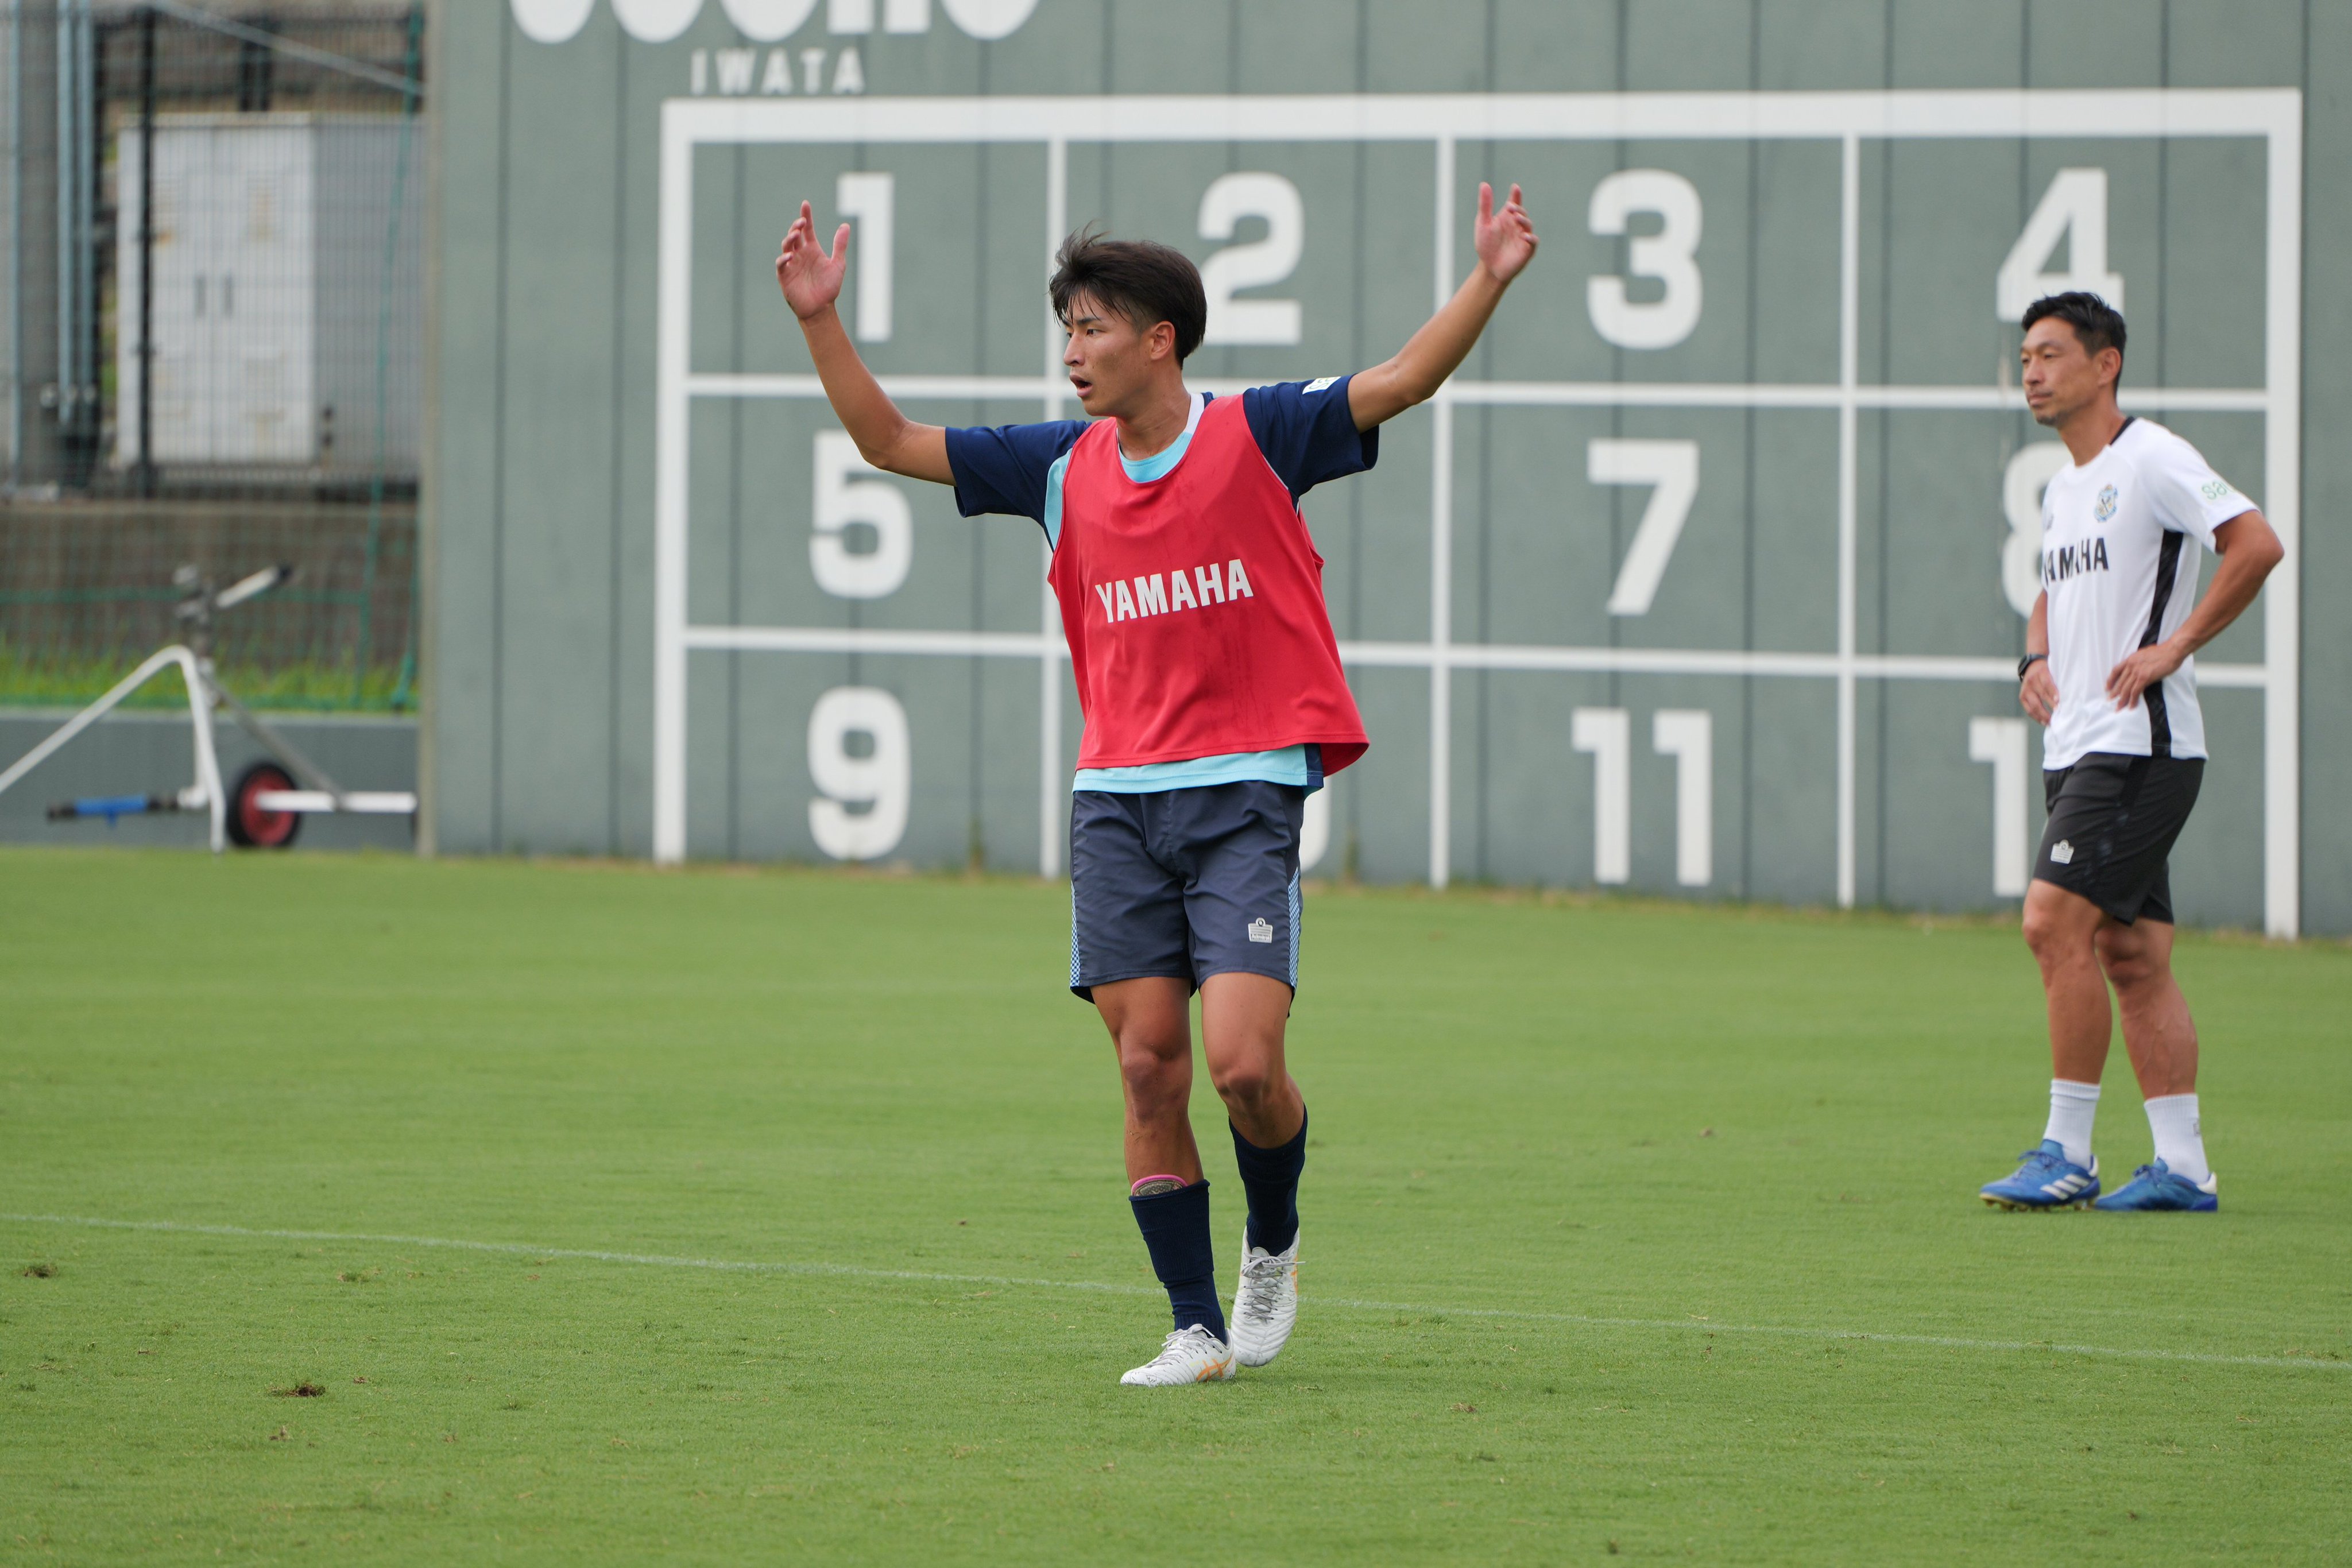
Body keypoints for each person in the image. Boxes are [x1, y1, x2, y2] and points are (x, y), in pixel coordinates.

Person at [775, 183, 1538, 1382]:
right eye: (1064, 330)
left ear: (1157, 340)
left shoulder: (1257, 432)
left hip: (1241, 793)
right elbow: (887, 442)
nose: (1072, 353)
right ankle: (1193, 1325)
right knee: (1145, 1066)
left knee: (1241, 1063)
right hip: (1116, 802)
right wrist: (821, 318)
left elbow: (1398, 381)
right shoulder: (1056, 465)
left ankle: (1271, 1243)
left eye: (1091, 328)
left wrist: (1488, 276)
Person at [1979, 292, 2283, 1215]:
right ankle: (2183, 1168)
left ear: (2105, 364)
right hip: (2079, 744)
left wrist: (2175, 645)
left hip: (2137, 745)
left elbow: (2255, 544)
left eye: (2051, 353)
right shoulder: (2064, 485)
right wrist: (2035, 654)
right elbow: (2050, 593)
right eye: (2025, 355)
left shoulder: (2152, 457)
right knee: (2132, 952)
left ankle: (2067, 1150)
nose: (2031, 370)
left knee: (2050, 924)